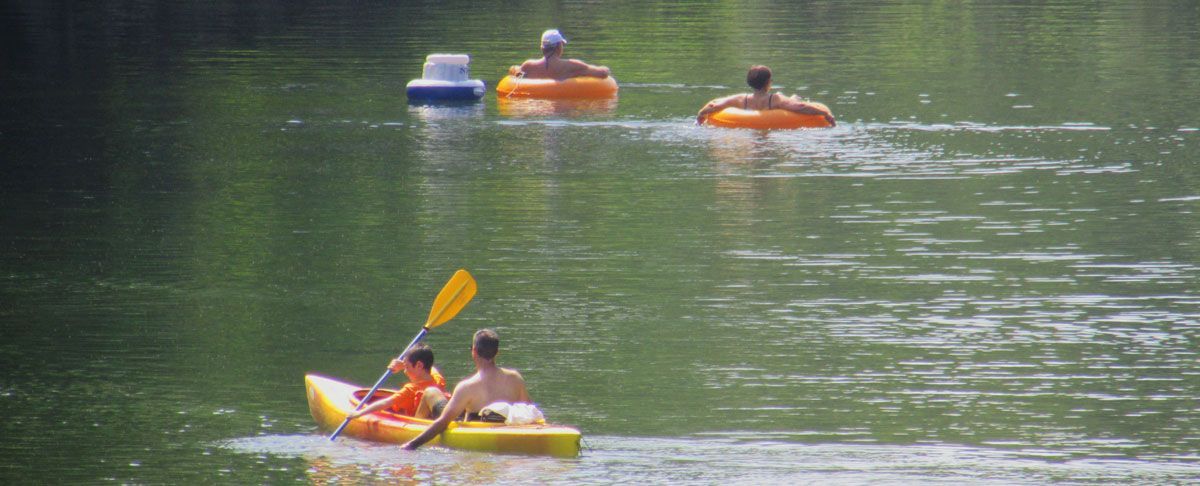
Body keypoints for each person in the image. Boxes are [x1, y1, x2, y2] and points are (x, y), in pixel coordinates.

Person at [402, 328, 532, 451]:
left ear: (474, 351)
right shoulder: (515, 378)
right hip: (505, 428)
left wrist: (411, 444)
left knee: (431, 392)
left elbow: (442, 423)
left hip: (476, 433)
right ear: (497, 353)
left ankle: (414, 428)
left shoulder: (467, 387)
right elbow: (530, 412)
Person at [696, 65, 836, 126]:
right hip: (770, 135)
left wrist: (701, 114)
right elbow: (800, 107)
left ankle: (792, 97)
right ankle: (793, 96)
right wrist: (825, 113)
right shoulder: (774, 99)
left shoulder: (740, 99)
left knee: (787, 99)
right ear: (768, 83)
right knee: (792, 99)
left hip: (748, 134)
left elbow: (715, 105)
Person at [345, 343, 448, 420]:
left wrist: (359, 413)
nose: (404, 371)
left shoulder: (410, 390)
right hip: (434, 419)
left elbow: (385, 403)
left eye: (406, 367)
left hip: (418, 424)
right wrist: (404, 364)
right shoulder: (438, 379)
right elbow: (431, 368)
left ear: (419, 365)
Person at [508, 29, 611, 80]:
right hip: (563, 108)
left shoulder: (528, 66)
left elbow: (517, 75)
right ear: (559, 46)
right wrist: (605, 68)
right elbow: (602, 74)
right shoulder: (571, 65)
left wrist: (516, 69)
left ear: (541, 48)